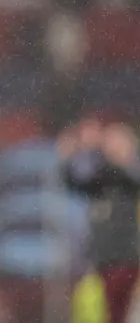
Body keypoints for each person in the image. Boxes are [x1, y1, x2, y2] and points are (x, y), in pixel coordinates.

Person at [58, 120, 140, 323]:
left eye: (116, 140)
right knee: (108, 312)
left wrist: (95, 148)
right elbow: (75, 183)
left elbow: (122, 174)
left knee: (121, 311)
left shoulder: (129, 174)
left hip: (127, 258)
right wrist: (69, 158)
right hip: (104, 258)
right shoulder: (104, 182)